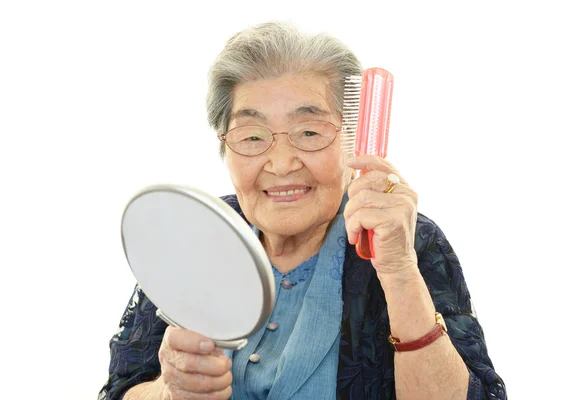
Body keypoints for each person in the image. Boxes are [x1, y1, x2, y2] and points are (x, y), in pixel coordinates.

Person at [99, 21, 506, 400]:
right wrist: (169, 390)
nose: (281, 163)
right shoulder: (200, 234)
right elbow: (123, 389)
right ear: (224, 147)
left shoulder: (405, 239)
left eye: (309, 132)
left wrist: (399, 271)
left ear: (351, 141)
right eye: (253, 135)